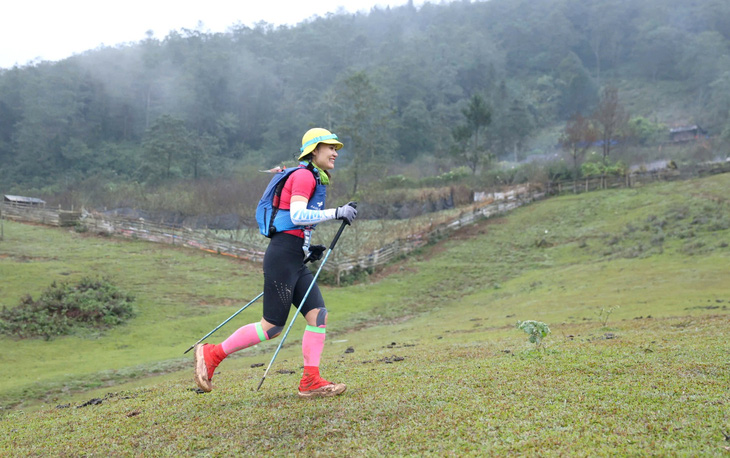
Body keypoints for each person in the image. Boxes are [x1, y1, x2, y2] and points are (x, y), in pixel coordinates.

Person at [193, 127, 358, 398]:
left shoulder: (313, 176)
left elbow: (296, 223)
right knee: (271, 327)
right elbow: (297, 214)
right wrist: (338, 212)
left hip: (293, 256)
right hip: (282, 256)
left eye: (336, 149)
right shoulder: (305, 175)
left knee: (318, 315)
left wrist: (306, 248)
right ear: (314, 150)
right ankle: (212, 354)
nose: (335, 153)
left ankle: (310, 380)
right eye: (330, 148)